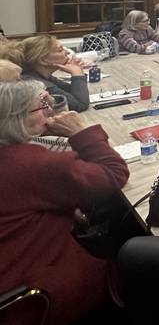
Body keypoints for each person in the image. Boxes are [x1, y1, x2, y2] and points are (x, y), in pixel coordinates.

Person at [0, 80, 129, 324]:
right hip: (32, 295)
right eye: (42, 105)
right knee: (129, 244)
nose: (51, 110)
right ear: (16, 119)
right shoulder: (33, 165)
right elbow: (115, 173)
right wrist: (80, 131)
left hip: (11, 264)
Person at [7, 35, 90, 111]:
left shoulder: (38, 75)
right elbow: (80, 104)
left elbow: (70, 92)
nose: (67, 52)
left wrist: (78, 73)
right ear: (43, 60)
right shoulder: (34, 83)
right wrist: (77, 73)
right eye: (60, 50)